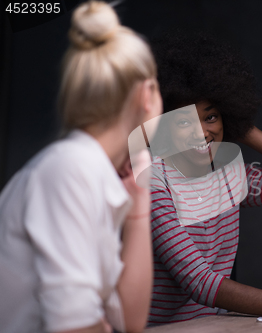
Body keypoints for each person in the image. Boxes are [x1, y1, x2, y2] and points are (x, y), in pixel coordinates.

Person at [145, 32, 262, 325]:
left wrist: (243, 127)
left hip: (212, 326)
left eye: (211, 117)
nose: (201, 133)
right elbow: (198, 283)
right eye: (184, 121)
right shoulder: (153, 182)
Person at [0, 2, 162, 332]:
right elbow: (74, 325)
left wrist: (139, 207)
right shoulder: (71, 169)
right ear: (147, 95)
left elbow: (130, 321)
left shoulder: (90, 169)